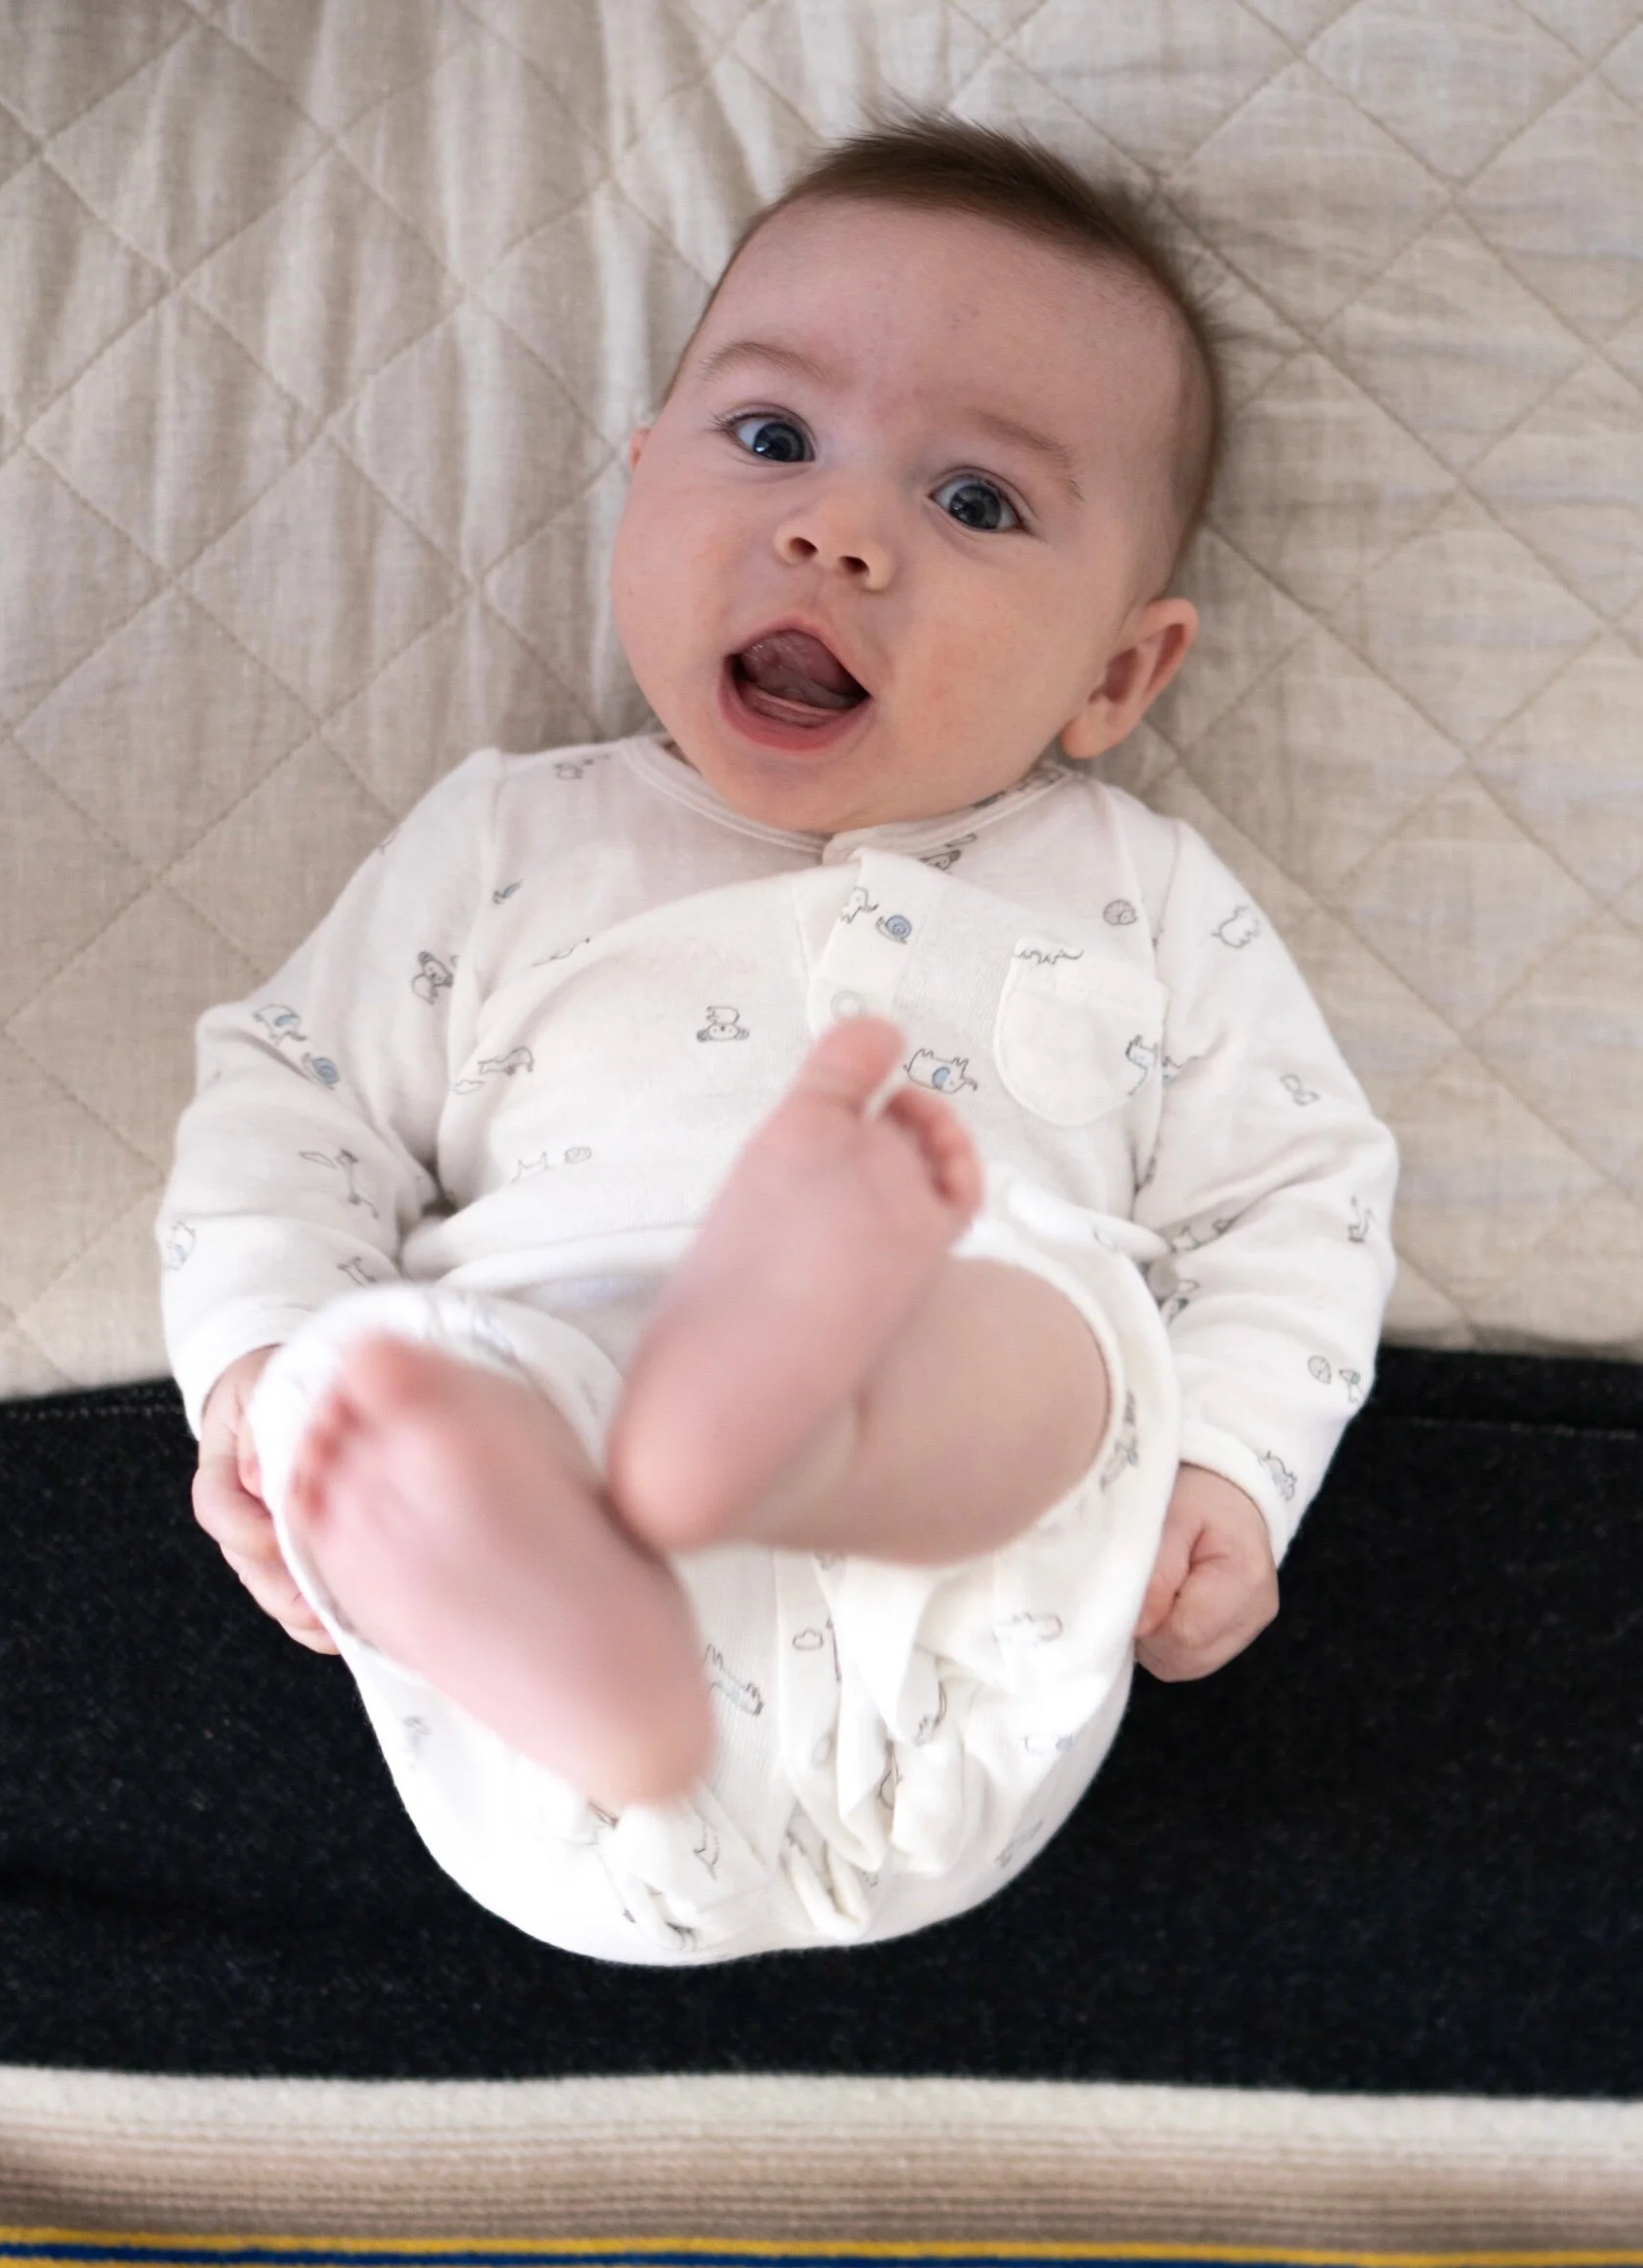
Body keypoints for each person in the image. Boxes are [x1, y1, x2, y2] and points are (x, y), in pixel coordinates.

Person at [161, 116, 1398, 1962]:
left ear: (1116, 675)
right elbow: (295, 1106)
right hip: (560, 1497)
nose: (837, 529)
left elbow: (1290, 1198)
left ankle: (780, 1438)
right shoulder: (509, 840)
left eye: (975, 501)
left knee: (1053, 1326)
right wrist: (261, 1368)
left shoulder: (1135, 892)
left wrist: (1228, 1464)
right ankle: (608, 1660)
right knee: (397, 1385)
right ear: (637, 483)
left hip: (963, 1603)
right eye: (768, 440)